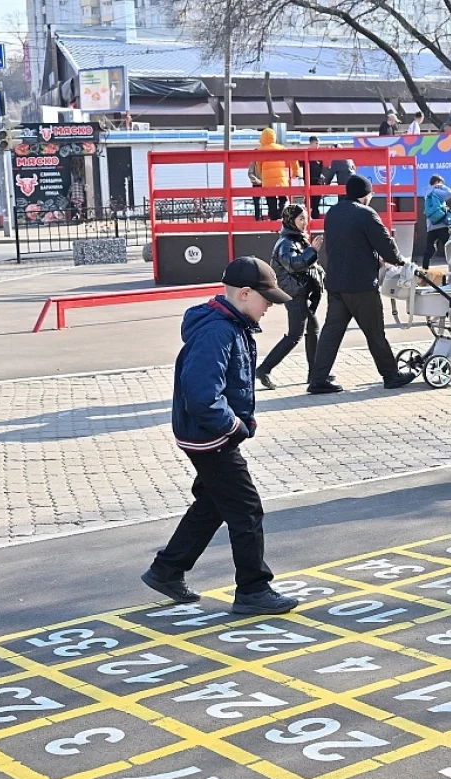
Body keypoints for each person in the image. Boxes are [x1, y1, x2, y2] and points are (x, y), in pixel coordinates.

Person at [140, 256, 299, 616]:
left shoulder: (232, 324)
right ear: (244, 294)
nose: (270, 308)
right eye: (267, 300)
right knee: (246, 509)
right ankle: (253, 590)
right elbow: (201, 395)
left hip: (206, 433)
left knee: (212, 504)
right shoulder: (219, 331)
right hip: (210, 437)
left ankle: (167, 569)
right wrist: (234, 426)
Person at [307, 174, 417, 394]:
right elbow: (386, 246)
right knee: (375, 332)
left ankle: (318, 379)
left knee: (331, 332)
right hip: (361, 286)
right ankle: (391, 375)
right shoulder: (367, 214)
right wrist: (400, 261)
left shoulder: (333, 213)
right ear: (365, 195)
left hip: (336, 284)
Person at [256, 204, 326, 390]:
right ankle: (264, 369)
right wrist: (313, 250)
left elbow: (310, 266)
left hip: (300, 292)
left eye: (306, 218)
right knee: (295, 335)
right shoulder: (286, 242)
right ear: (290, 220)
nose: (305, 222)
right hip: (294, 293)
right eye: (301, 219)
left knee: (312, 329)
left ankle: (315, 373)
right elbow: (295, 264)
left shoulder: (296, 239)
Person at [254, 128, 301, 222]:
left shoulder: (260, 150)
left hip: (267, 181)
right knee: (283, 198)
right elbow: (293, 158)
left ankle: (273, 218)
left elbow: (258, 165)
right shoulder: (281, 148)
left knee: (271, 201)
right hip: (280, 179)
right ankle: (281, 214)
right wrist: (295, 172)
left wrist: (262, 174)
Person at [422, 174, 451, 269]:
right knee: (449, 248)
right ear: (437, 182)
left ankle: (425, 269)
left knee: (429, 248)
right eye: (441, 183)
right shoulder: (437, 191)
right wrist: (442, 186)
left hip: (431, 225)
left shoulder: (427, 192)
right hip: (441, 224)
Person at [307, 136, 325, 219]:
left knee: (316, 204)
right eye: (316, 143)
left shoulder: (320, 155)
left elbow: (322, 169)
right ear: (311, 143)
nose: (318, 145)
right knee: (309, 203)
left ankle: (315, 219)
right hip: (309, 181)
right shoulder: (306, 153)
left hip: (318, 181)